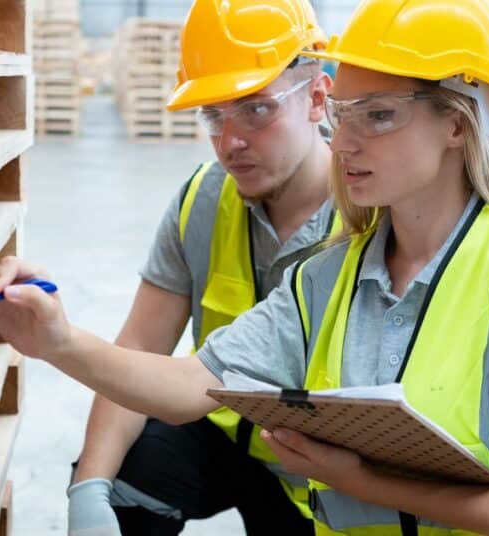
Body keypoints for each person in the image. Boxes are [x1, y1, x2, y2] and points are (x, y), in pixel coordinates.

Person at [0, 0, 489, 534]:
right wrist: (56, 342)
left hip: (315, 484)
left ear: (457, 123)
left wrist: (361, 482)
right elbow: (186, 383)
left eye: (377, 116)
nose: (345, 141)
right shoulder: (329, 278)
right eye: (347, 117)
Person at [65, 1, 337, 533]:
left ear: (317, 99)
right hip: (219, 428)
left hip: (318, 471)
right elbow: (139, 348)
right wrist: (89, 488)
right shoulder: (205, 200)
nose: (229, 141)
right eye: (214, 114)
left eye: (256, 108)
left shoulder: (371, 221)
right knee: (126, 472)